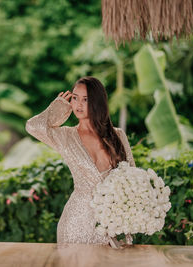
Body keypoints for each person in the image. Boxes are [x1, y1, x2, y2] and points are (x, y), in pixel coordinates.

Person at [25, 76, 136, 248]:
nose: (78, 104)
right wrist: (58, 108)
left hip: (111, 223)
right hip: (76, 222)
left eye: (85, 100)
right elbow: (33, 126)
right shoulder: (65, 136)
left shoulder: (118, 135)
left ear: (97, 102)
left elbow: (132, 176)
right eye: (75, 98)